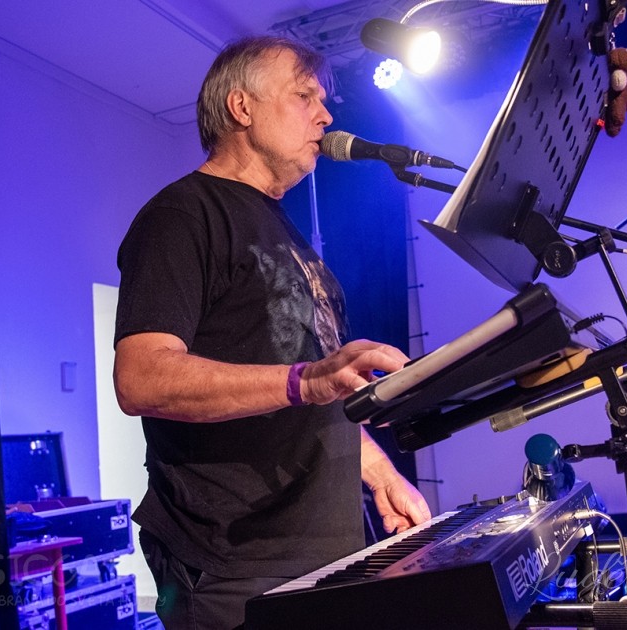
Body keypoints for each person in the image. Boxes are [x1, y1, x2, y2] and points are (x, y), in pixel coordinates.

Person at [112, 35, 431, 630]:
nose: (326, 115)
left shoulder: (285, 227)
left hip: (328, 549)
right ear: (242, 107)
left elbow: (319, 381)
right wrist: (306, 381)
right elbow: (140, 377)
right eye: (305, 95)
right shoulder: (181, 216)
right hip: (236, 566)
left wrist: (378, 471)